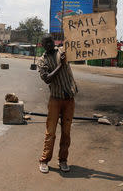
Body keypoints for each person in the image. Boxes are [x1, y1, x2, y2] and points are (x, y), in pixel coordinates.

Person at [37, 35, 77, 173]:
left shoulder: (62, 52)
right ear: (42, 45)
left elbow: (76, 45)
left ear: (53, 41)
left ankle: (63, 160)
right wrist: (60, 65)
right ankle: (44, 160)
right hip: (55, 99)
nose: (48, 44)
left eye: (50, 41)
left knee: (66, 132)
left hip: (69, 99)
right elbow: (47, 79)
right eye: (45, 42)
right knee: (51, 132)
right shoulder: (42, 61)